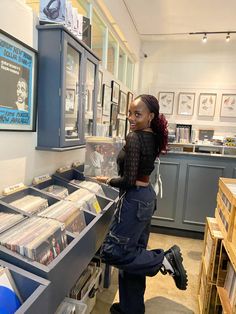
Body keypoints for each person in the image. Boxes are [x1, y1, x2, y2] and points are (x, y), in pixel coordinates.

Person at [96, 94, 188, 314]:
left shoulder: (134, 137)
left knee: (113, 252)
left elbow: (127, 181)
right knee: (135, 253)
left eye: (137, 114)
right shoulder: (153, 136)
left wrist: (105, 179)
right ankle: (131, 309)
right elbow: (140, 172)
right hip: (146, 196)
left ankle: (163, 260)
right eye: (130, 113)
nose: (131, 118)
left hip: (134, 199)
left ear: (150, 116)